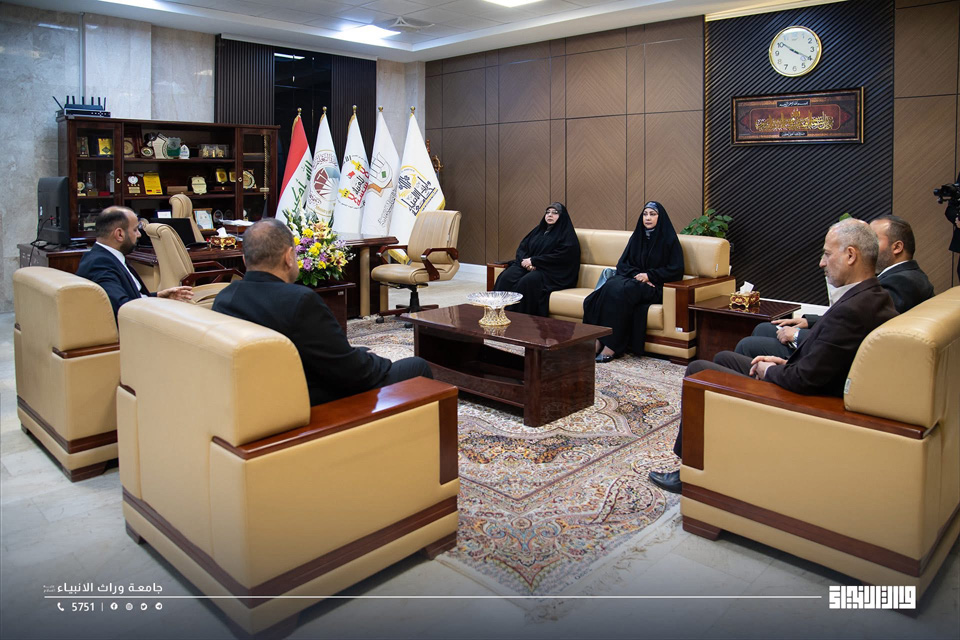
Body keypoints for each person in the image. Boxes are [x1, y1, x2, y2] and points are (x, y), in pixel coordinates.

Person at [649, 219, 898, 494]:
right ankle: (713, 453)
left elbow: (806, 379)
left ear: (851, 255)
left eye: (827, 254)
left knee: (698, 369)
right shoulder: (873, 296)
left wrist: (769, 370)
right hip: (809, 380)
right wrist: (785, 362)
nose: (821, 263)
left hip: (802, 399)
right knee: (724, 359)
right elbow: (826, 359)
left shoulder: (853, 309)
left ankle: (690, 472)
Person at [212, 218, 433, 406]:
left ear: (245, 259)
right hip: (307, 403)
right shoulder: (299, 301)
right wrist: (378, 361)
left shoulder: (224, 299)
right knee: (417, 367)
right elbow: (353, 373)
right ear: (289, 257)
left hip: (257, 400)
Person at [736, 215, 932, 359]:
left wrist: (798, 335)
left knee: (749, 345)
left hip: (848, 358)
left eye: (874, 239)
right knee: (764, 328)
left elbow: (859, 333)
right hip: (848, 347)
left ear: (897, 247)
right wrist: (810, 321)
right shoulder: (906, 276)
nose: (869, 245)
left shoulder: (903, 283)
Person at [583, 201, 684, 363]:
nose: (648, 218)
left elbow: (676, 270)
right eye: (645, 214)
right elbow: (622, 264)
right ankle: (598, 339)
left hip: (655, 287)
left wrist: (650, 276)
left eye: (652, 214)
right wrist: (638, 275)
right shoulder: (637, 237)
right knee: (606, 288)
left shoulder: (669, 240)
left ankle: (611, 345)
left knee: (619, 290)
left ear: (660, 217)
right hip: (634, 281)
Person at [76, 206, 193, 319]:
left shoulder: (106, 257)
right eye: (135, 230)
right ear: (119, 234)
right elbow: (123, 308)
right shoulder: (100, 264)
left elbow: (130, 298)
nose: (139, 235)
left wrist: (158, 296)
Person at [493, 202, 580, 316]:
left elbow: (562, 256)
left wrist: (535, 261)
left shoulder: (567, 235)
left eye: (555, 213)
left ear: (562, 216)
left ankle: (517, 317)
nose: (550, 215)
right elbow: (523, 247)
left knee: (527, 282)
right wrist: (525, 262)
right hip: (528, 265)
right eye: (548, 212)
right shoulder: (538, 230)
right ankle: (496, 313)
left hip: (551, 271)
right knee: (506, 277)